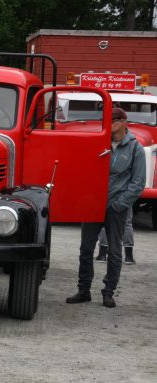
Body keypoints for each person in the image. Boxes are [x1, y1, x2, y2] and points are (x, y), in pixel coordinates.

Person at [66, 107, 145, 308]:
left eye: (113, 120)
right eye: (107, 120)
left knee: (115, 251)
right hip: (94, 204)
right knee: (85, 248)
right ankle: (83, 291)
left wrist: (120, 204)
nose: (109, 124)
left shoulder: (135, 148)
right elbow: (85, 170)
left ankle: (108, 292)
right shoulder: (98, 142)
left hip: (116, 206)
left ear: (124, 122)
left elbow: (138, 182)